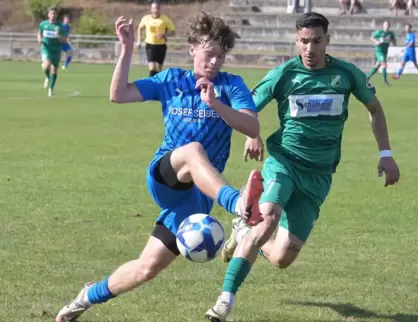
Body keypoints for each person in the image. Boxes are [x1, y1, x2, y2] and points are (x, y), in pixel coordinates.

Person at [55, 13, 265, 322]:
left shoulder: (231, 86)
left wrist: (217, 105)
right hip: (165, 176)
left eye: (221, 55)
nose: (215, 61)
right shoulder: (172, 81)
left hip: (197, 199)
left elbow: (251, 125)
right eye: (210, 53)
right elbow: (119, 94)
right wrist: (127, 48)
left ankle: (85, 297)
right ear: (192, 47)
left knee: (146, 268)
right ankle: (238, 205)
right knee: (193, 150)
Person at [205, 12, 400, 322]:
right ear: (297, 41)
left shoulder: (346, 74)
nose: (310, 48)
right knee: (268, 218)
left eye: (316, 41)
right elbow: (248, 108)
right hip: (284, 162)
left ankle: (244, 231)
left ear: (327, 41)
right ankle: (224, 302)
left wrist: (386, 153)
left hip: (319, 176)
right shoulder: (284, 74)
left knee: (281, 257)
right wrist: (253, 134)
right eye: (304, 42)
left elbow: (375, 110)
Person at [137, 0, 176, 76]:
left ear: (159, 9)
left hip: (161, 46)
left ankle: (157, 85)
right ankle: (150, 85)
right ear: (151, 9)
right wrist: (139, 40)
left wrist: (164, 35)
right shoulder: (146, 18)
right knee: (152, 67)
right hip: (150, 45)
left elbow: (173, 31)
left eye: (157, 8)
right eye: (154, 8)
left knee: (158, 69)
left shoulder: (165, 19)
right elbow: (140, 28)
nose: (155, 10)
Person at [37, 7, 67, 97]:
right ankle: (47, 77)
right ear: (48, 15)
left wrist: (59, 37)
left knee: (54, 70)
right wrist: (39, 39)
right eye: (51, 13)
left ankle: (51, 88)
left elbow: (65, 40)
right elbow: (39, 33)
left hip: (56, 50)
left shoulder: (60, 26)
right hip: (46, 48)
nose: (53, 15)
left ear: (57, 15)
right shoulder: (43, 24)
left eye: (54, 13)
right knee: (46, 66)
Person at [367, 21, 396, 86]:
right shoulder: (379, 32)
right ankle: (385, 81)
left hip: (385, 52)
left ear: (389, 26)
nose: (386, 26)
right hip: (379, 51)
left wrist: (390, 40)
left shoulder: (391, 34)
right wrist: (377, 42)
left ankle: (367, 78)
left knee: (377, 66)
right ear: (383, 25)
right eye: (385, 25)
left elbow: (394, 43)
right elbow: (371, 37)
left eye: (388, 25)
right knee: (384, 64)